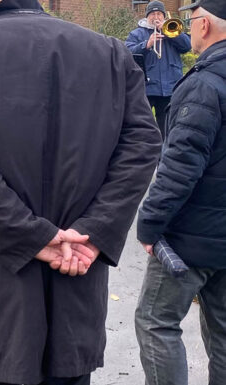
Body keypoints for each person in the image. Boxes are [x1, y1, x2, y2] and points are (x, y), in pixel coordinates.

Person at [0, 0, 162, 383]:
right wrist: (95, 232)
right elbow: (143, 144)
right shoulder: (110, 53)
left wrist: (31, 237)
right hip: (77, 263)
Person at [135, 0, 226, 383]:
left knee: (156, 322)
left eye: (191, 20)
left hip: (191, 238)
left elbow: (179, 166)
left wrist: (149, 225)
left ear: (203, 25)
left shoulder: (205, 84)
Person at [126, 0, 192, 140]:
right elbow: (127, 53)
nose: (156, 17)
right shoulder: (137, 33)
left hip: (170, 87)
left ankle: (164, 156)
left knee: (167, 127)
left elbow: (187, 46)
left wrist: (170, 34)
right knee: (143, 126)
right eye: (153, 14)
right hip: (146, 88)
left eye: (159, 14)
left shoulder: (172, 30)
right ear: (147, 16)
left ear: (164, 16)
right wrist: (147, 44)